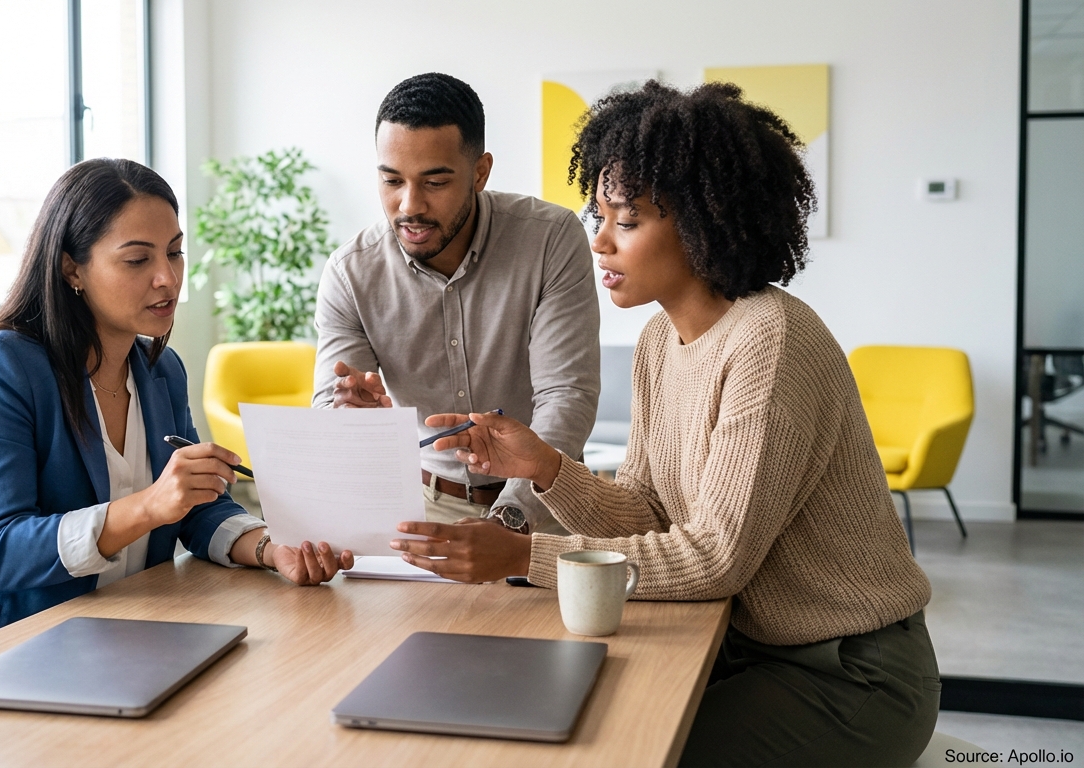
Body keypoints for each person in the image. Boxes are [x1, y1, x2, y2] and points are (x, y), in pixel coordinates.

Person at [393, 81, 940, 765]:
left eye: (625, 221)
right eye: (599, 216)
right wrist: (545, 468)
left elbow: (714, 557)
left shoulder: (771, 342)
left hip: (849, 674)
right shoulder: (660, 341)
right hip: (747, 648)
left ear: (705, 221)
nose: (598, 244)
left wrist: (526, 557)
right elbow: (649, 508)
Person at [0, 159, 352, 683]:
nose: (167, 278)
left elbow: (192, 509)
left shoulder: (162, 370)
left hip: (100, 643)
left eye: (175, 252)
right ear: (72, 269)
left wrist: (269, 549)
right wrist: (146, 507)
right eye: (137, 259)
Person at [313, 72, 600, 535]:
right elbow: (332, 404)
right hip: (424, 507)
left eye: (435, 182)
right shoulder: (351, 272)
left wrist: (512, 518)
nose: (410, 205)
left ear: (480, 173)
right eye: (391, 180)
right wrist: (349, 420)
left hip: (547, 507)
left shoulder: (550, 239)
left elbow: (566, 396)